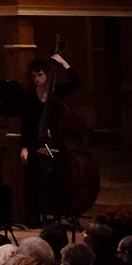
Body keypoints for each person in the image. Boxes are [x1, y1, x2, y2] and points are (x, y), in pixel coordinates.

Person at [20, 54, 80, 223]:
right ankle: (35, 217)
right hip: (35, 142)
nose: (37, 79)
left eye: (40, 75)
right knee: (33, 179)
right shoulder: (29, 95)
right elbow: (26, 123)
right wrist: (24, 147)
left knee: (57, 179)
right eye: (34, 76)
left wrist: (64, 63)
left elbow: (77, 83)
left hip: (56, 141)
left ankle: (58, 213)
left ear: (47, 74)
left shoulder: (56, 91)